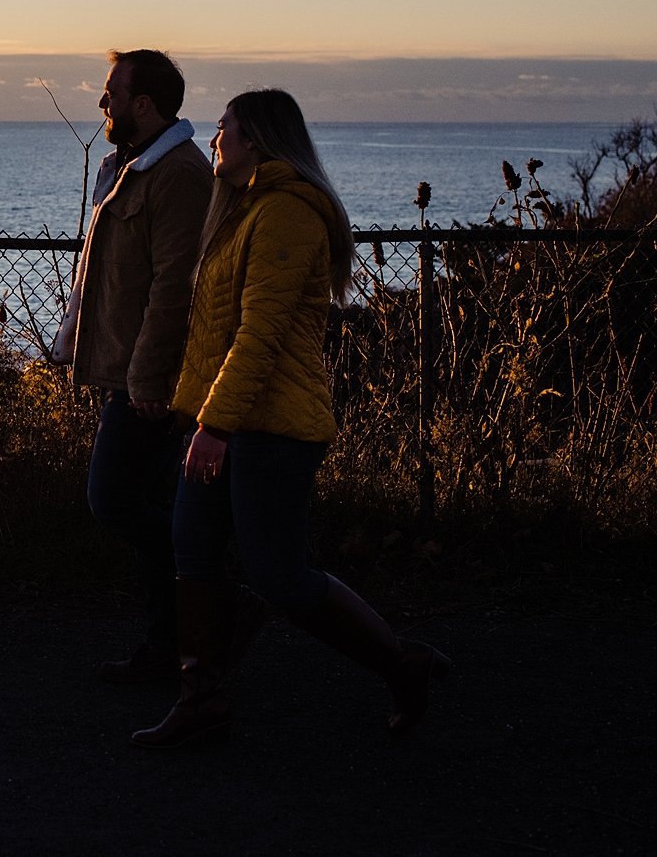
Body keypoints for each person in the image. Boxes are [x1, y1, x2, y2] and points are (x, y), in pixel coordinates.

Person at [132, 88, 450, 748]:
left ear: (256, 139)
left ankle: (402, 662)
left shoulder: (285, 214)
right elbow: (217, 329)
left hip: (272, 428)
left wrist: (214, 425)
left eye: (225, 128)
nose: (215, 138)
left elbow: (259, 334)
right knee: (190, 548)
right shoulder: (244, 208)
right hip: (224, 418)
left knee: (277, 574)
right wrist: (200, 413)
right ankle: (201, 699)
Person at [53, 48, 216, 682]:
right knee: (145, 498)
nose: (102, 104)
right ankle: (176, 641)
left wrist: (148, 378)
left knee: (112, 498)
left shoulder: (177, 176)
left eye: (111, 93)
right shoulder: (129, 167)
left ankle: (206, 608)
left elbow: (174, 286)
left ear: (142, 104)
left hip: (147, 377)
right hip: (124, 366)